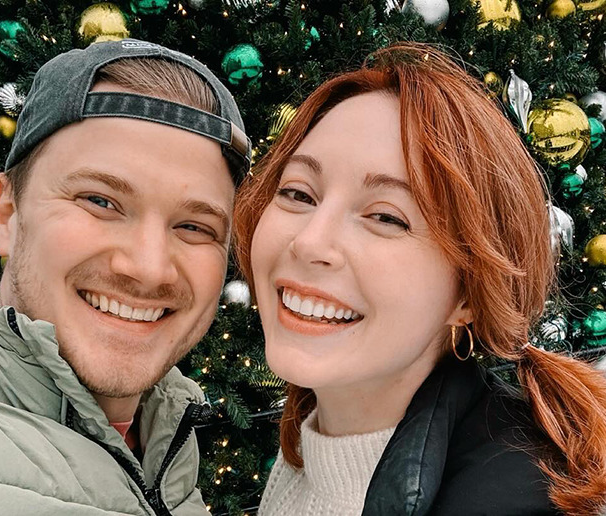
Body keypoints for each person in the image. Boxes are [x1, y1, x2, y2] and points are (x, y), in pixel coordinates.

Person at [233, 42, 606, 516]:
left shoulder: (513, 499)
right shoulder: (323, 432)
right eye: (298, 193)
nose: (309, 243)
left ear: (469, 291)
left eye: (386, 218)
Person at [0, 39, 251, 515]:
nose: (149, 268)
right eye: (100, 201)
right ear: (6, 214)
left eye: (194, 227)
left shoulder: (165, 445)